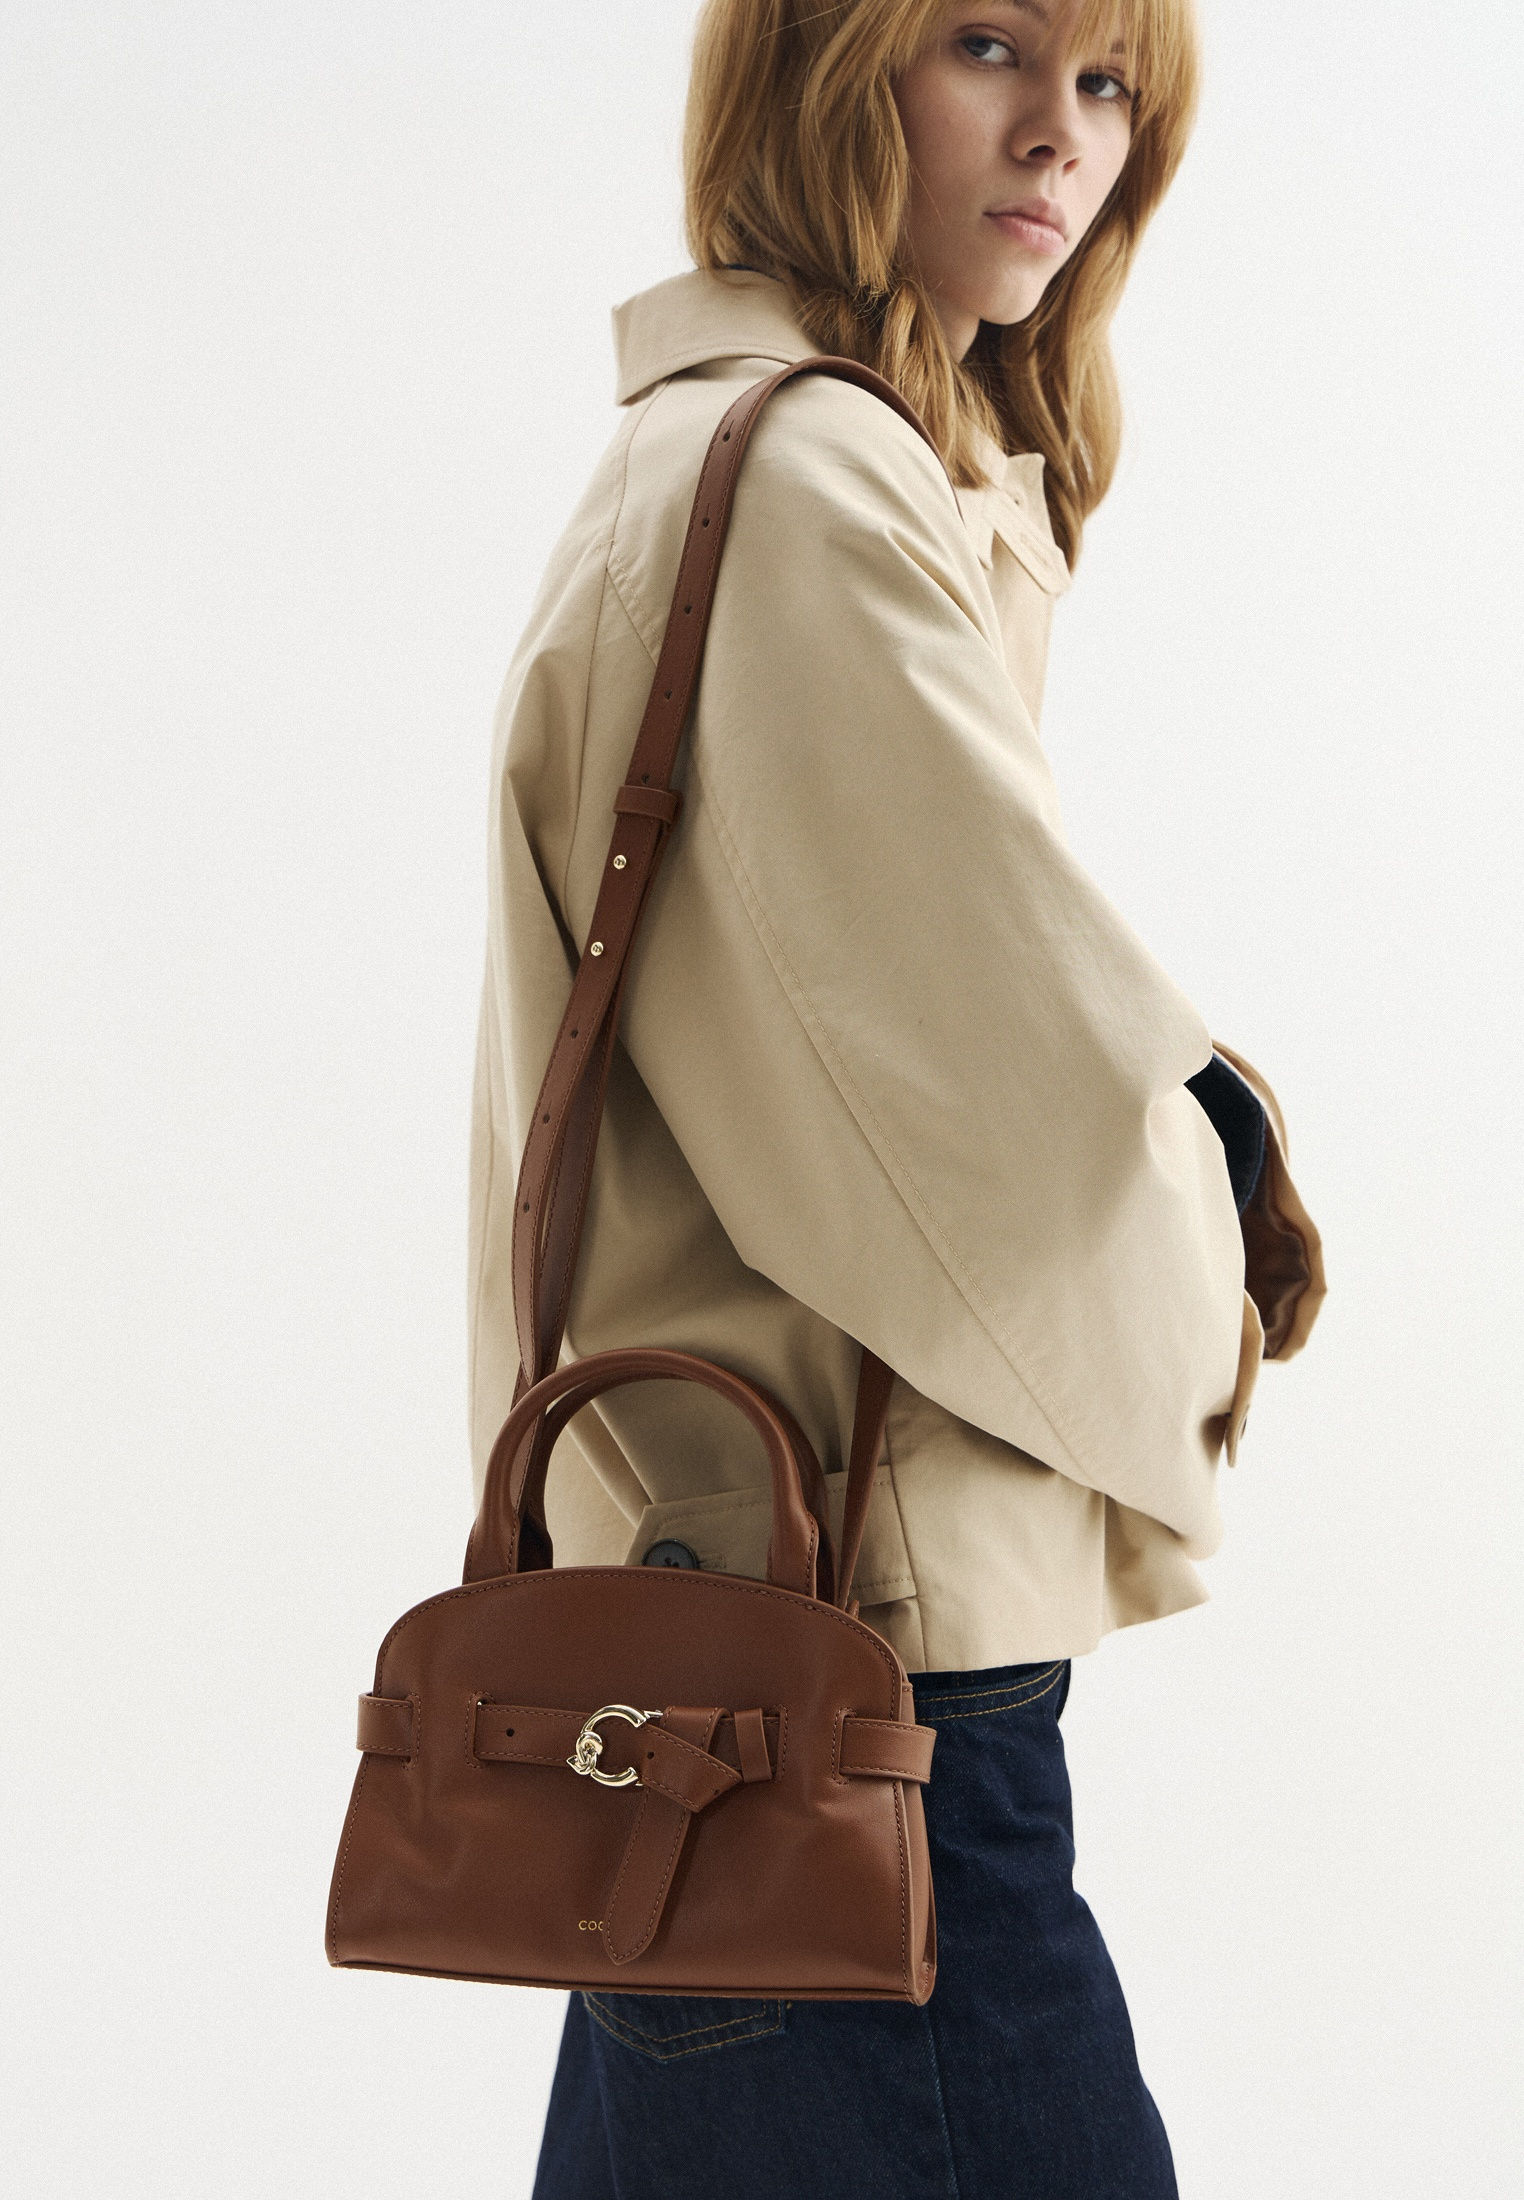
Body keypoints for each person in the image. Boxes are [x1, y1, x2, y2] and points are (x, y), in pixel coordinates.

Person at [468, 2, 1325, 2192]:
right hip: (859, 1666)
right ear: (822, 68)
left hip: (722, 1628)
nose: (1064, 139)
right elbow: (1003, 1116)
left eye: (1112, 85)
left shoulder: (745, 450)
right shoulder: (807, 481)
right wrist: (1223, 1222)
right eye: (989, 46)